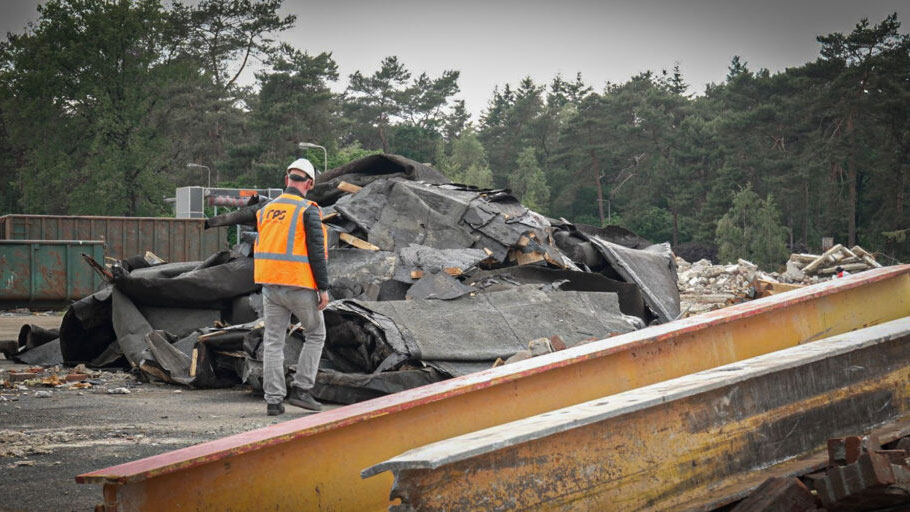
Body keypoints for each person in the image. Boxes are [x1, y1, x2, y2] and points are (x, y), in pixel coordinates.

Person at [254, 158, 330, 416]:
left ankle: (274, 401)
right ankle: (302, 390)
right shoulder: (308, 210)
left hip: (270, 285)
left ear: (286, 179)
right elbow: (317, 253)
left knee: (273, 342)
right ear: (309, 184)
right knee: (316, 334)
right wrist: (323, 288)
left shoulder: (265, 210)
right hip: (298, 284)